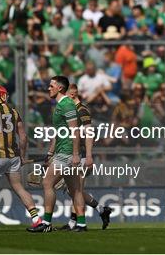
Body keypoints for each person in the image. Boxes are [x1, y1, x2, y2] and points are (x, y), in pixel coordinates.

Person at [27, 76, 86, 233]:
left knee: (47, 183)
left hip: (66, 152)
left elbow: (75, 130)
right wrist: (50, 152)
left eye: (51, 85)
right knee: (76, 189)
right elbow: (59, 132)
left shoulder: (66, 104)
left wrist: (75, 154)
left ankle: (46, 223)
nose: (48, 88)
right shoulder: (62, 104)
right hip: (63, 151)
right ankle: (81, 224)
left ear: (60, 88)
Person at [59, 84, 112, 231]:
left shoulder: (82, 110)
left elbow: (89, 134)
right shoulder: (70, 110)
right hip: (74, 155)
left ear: (73, 95)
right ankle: (101, 209)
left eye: (66, 95)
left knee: (76, 191)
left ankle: (78, 223)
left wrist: (89, 156)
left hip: (81, 156)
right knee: (74, 191)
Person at [0, 85, 42, 228]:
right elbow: (23, 137)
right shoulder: (13, 111)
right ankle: (36, 219)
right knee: (19, 188)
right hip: (13, 157)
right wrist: (21, 155)